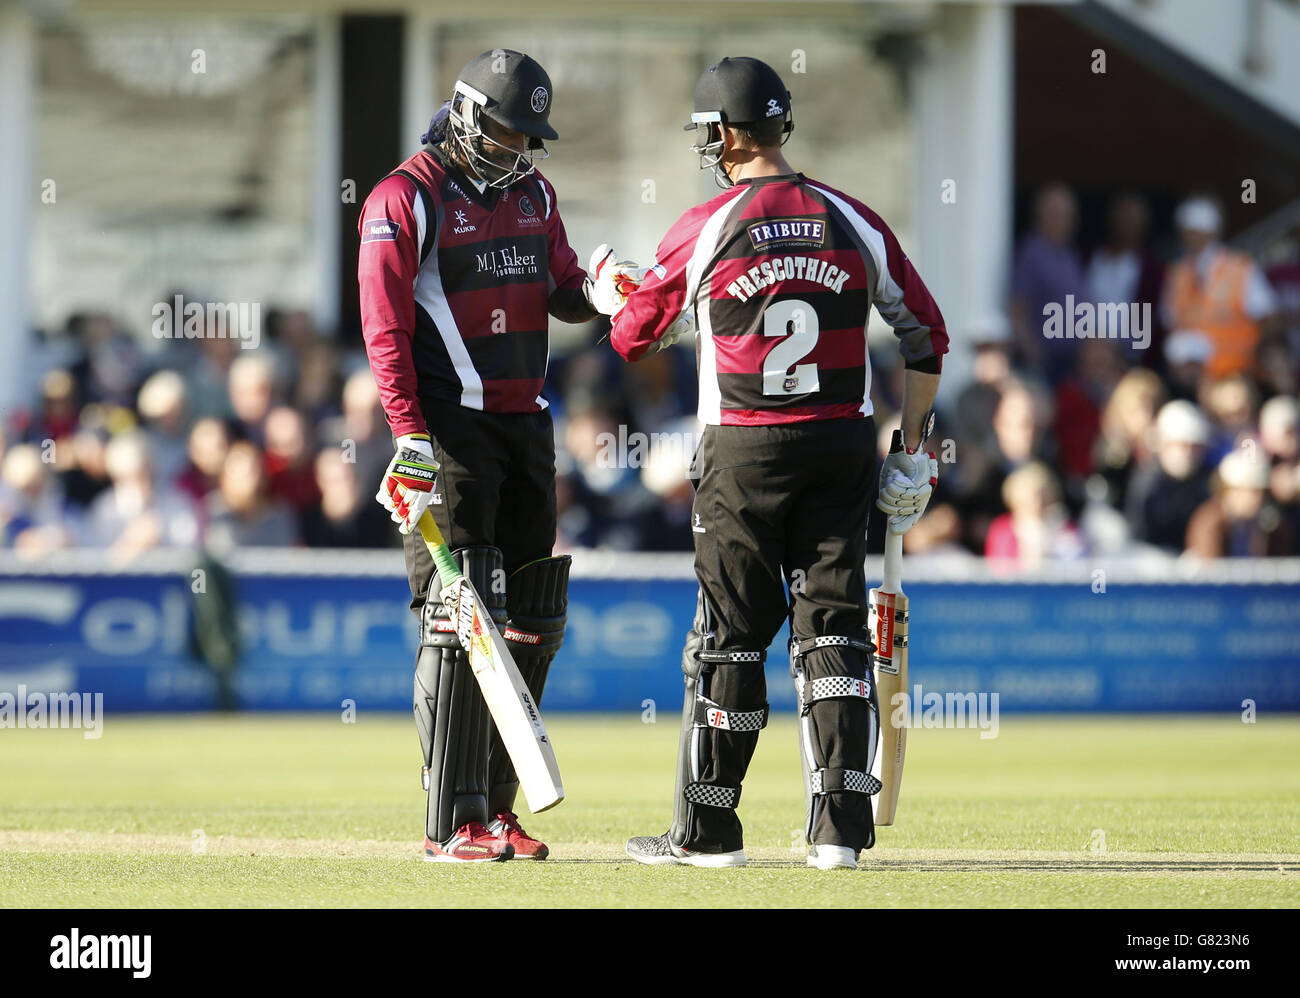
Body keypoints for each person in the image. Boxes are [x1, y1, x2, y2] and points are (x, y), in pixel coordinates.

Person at [602, 57, 947, 870]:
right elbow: (925, 332)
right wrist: (914, 448)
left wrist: (619, 285)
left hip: (744, 450)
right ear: (780, 125)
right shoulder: (852, 216)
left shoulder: (708, 224)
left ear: (724, 136)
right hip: (842, 441)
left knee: (730, 638)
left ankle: (710, 833)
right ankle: (839, 835)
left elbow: (630, 338)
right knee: (833, 630)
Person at [357, 49, 627, 863]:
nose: (519, 150)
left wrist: (608, 292)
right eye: (507, 133)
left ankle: (500, 808)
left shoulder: (535, 194)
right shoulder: (404, 198)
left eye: (529, 137)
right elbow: (384, 330)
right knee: (459, 615)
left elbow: (562, 288)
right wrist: (408, 437)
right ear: (467, 115)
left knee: (531, 617)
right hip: (448, 429)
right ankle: (452, 822)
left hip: (525, 427)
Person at [1161, 196, 1276, 380]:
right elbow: (1169, 322)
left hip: (1237, 375)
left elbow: (1269, 318)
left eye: (1194, 231)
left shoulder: (1240, 269)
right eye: (1186, 231)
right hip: (1192, 380)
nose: (1189, 237)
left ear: (1209, 232)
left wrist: (1256, 358)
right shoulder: (1178, 273)